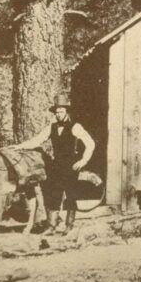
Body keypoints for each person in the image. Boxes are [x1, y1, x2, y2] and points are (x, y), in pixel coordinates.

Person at [13, 93, 95, 234]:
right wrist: (20, 146)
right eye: (56, 112)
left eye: (61, 111)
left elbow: (90, 143)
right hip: (56, 166)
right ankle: (51, 226)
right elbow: (37, 140)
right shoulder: (51, 127)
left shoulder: (76, 127)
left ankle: (69, 226)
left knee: (71, 194)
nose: (58, 114)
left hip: (71, 165)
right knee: (54, 195)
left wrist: (83, 160)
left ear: (67, 112)